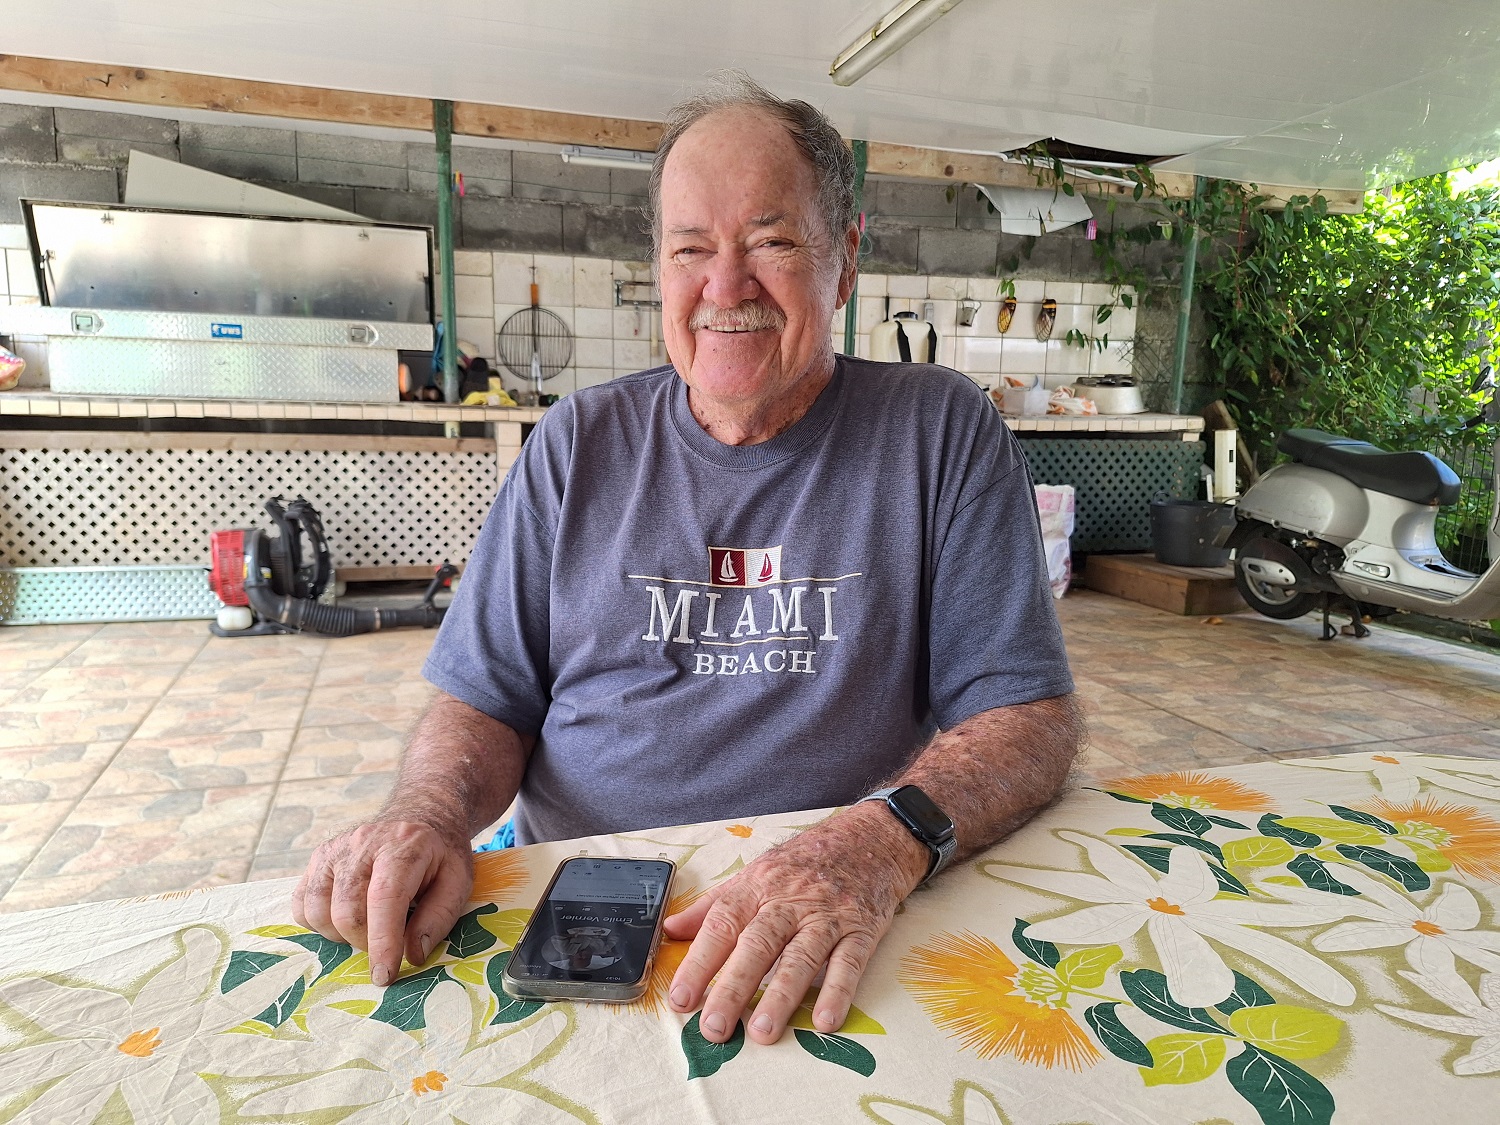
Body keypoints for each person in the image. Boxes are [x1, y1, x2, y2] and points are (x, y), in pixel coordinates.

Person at [293, 73, 1084, 1048]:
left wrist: (879, 842)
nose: (726, 286)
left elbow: (1028, 716)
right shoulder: (575, 444)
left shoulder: (939, 431)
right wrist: (427, 812)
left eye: (771, 242)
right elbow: (485, 698)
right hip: (587, 901)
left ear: (843, 260)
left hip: (834, 900)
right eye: (690, 249)